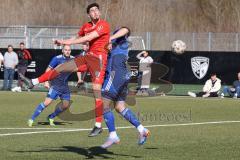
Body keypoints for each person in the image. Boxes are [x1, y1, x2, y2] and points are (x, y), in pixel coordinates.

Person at [20, 3, 110, 137]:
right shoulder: (86, 26)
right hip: (88, 58)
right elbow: (77, 37)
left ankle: (98, 125)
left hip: (99, 61)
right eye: (92, 10)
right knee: (61, 67)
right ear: (88, 14)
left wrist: (64, 42)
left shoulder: (104, 24)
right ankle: (33, 81)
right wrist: (65, 42)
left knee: (97, 93)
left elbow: (88, 38)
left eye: (97, 10)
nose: (96, 12)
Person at [101, 27, 150, 149]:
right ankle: (142, 129)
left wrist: (110, 38)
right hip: (122, 76)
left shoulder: (121, 40)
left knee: (104, 105)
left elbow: (125, 29)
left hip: (115, 74)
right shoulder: (116, 45)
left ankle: (113, 135)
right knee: (119, 107)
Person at [27, 45, 81, 127]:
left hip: (64, 86)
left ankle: (51, 117)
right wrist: (46, 81)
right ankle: (31, 119)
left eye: (69, 50)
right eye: (66, 50)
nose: (67, 51)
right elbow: (48, 70)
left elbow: (78, 69)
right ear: (62, 50)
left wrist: (79, 79)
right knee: (47, 103)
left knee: (65, 105)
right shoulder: (57, 58)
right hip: (55, 84)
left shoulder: (73, 59)